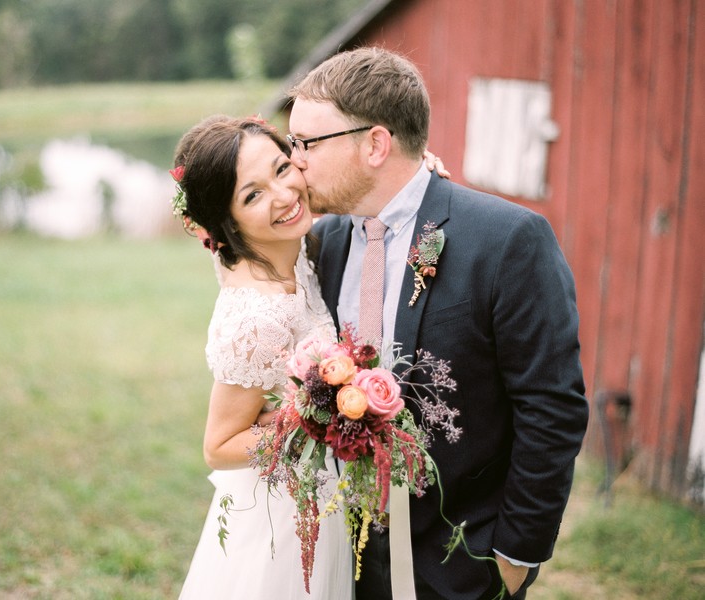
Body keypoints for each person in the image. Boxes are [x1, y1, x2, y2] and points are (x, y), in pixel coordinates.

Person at [287, 47, 589, 600]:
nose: (295, 160)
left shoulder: (505, 240)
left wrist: (516, 553)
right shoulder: (323, 244)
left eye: (306, 143)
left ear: (375, 144)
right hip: (342, 552)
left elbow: (552, 404)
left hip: (462, 559)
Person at [173, 115, 449, 599]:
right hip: (284, 520)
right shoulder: (255, 315)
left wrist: (411, 177)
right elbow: (219, 445)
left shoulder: (289, 246)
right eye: (251, 195)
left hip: (328, 499)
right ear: (226, 221)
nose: (282, 196)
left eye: (282, 169)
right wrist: (321, 415)